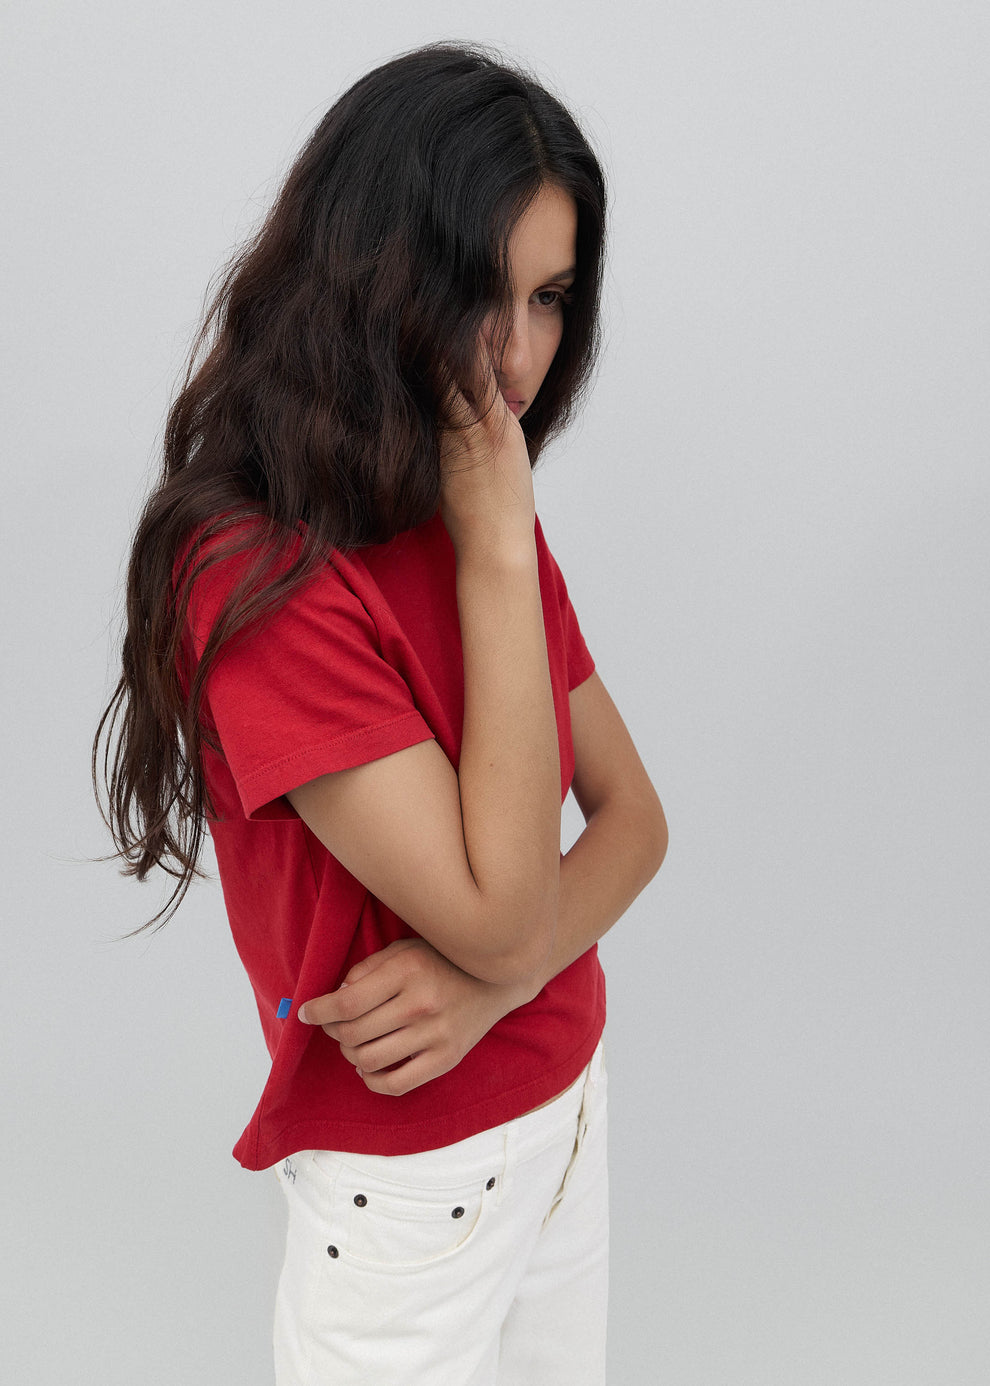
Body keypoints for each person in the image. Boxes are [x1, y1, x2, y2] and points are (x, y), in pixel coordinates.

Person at [94, 41, 667, 1386]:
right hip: (414, 1186)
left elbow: (636, 822)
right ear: (375, 270)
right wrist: (499, 556)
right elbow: (504, 906)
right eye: (484, 294)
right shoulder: (254, 570)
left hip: (566, 1108)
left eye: (552, 296)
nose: (521, 355)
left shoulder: (471, 512)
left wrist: (495, 986)